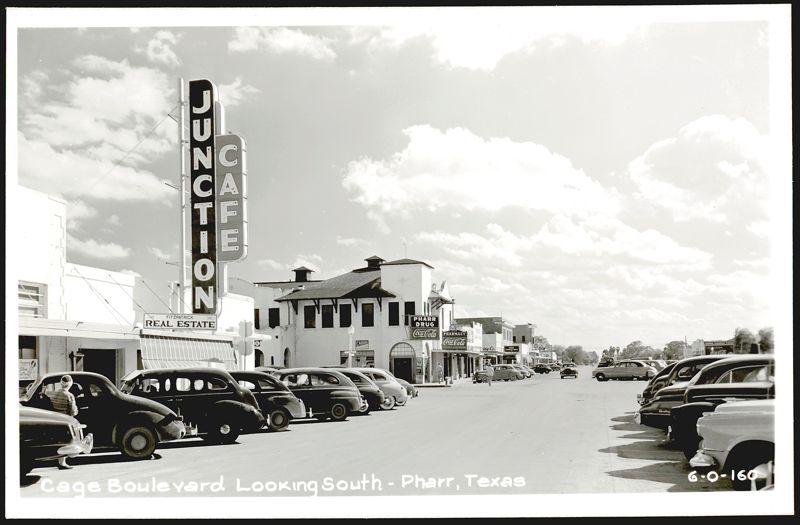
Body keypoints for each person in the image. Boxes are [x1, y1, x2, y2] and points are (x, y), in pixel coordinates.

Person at [46, 375, 79, 470]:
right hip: (65, 420)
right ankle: (62, 463)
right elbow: (73, 412)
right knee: (65, 442)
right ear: (70, 384)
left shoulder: (53, 394)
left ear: (61, 383)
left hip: (55, 419)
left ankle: (60, 461)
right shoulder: (69, 396)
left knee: (58, 441)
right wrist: (76, 409)